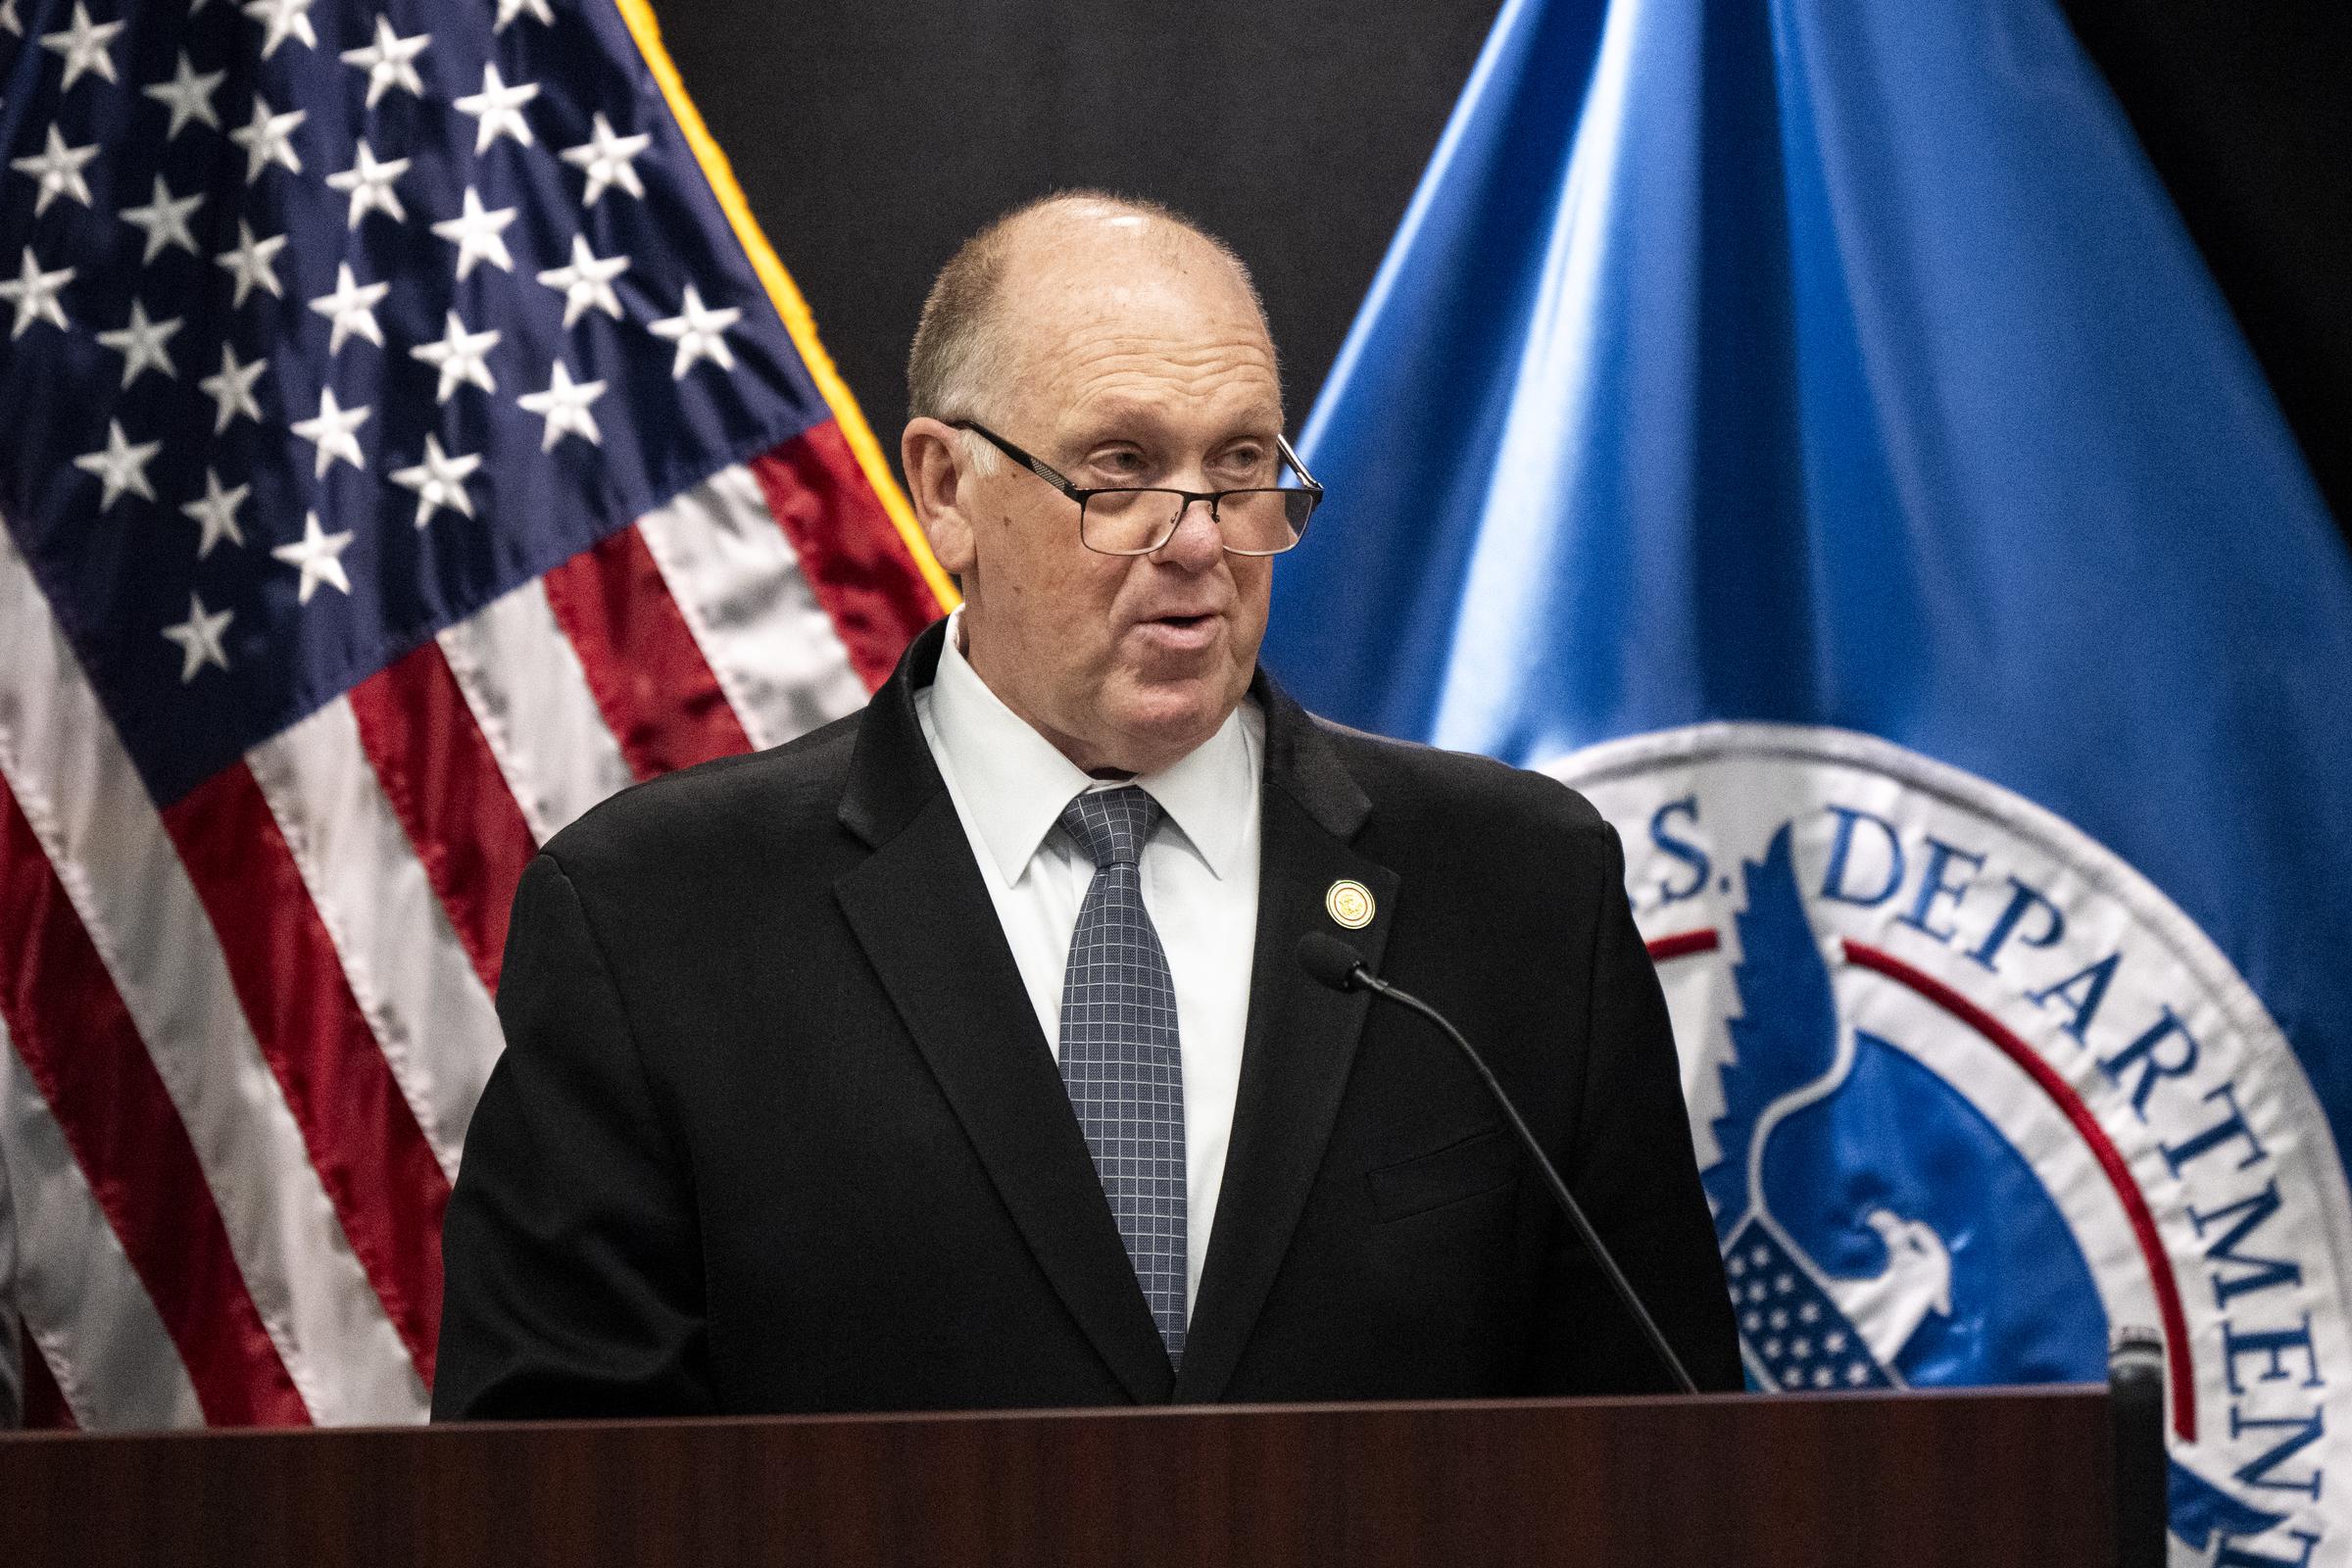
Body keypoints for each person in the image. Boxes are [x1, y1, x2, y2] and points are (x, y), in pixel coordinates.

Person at [433, 193, 1740, 1417]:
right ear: (947, 490)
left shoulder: (1516, 890)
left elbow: (1661, 1461)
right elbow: (554, 1490)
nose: (1199, 540)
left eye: (1241, 469)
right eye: (1119, 469)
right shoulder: (661, 918)